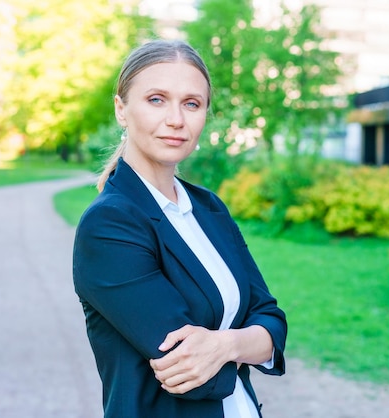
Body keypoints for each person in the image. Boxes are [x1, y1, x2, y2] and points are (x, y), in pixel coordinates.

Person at [72, 39, 287, 418]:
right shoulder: (109, 226)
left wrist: (225, 346)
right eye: (156, 99)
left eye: (192, 103)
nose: (176, 119)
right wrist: (247, 341)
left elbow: (272, 320)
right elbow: (190, 374)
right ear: (121, 110)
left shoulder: (208, 208)